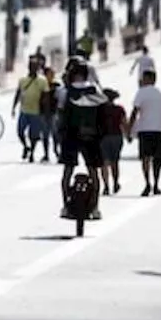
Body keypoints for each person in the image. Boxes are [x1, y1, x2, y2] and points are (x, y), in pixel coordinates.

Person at [58, 59, 107, 219]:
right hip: (91, 137)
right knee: (94, 173)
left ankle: (66, 206)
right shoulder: (95, 92)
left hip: (71, 136)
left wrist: (61, 135)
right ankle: (95, 208)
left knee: (67, 172)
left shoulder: (66, 92)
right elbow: (102, 115)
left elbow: (62, 115)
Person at [127, 70, 161, 197]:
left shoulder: (141, 93)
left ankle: (147, 183)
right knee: (157, 159)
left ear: (149, 79)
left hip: (144, 130)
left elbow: (134, 112)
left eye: (144, 78)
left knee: (145, 158)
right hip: (159, 130)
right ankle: (156, 184)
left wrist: (129, 131)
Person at [13, 55, 50, 162]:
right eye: (31, 66)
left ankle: (32, 153)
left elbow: (46, 96)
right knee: (20, 132)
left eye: (35, 66)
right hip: (24, 110)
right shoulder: (23, 80)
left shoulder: (42, 81)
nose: (32, 68)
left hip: (36, 112)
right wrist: (14, 107)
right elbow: (18, 93)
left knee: (33, 135)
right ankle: (25, 146)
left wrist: (46, 112)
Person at [99, 88, 126, 195]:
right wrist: (128, 134)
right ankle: (115, 183)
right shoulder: (119, 109)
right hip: (116, 136)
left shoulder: (99, 110)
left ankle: (106, 186)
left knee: (104, 162)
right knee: (115, 161)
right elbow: (124, 123)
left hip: (102, 137)